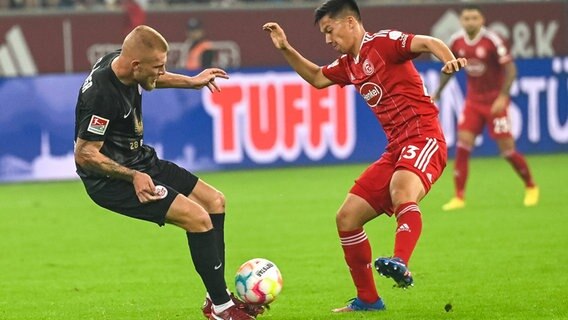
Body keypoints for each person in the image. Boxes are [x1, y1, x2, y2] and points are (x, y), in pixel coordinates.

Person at [263, 0, 466, 313]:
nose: (328, 40)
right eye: (324, 35)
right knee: (347, 218)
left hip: (424, 137)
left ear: (350, 22)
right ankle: (368, 300)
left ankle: (400, 261)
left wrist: (448, 58)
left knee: (402, 190)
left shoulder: (383, 43)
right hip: (396, 147)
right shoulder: (350, 64)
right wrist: (285, 48)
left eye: (330, 31)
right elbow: (318, 78)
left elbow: (427, 42)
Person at [73, 25, 264, 320]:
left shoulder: (125, 63)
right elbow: (85, 154)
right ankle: (222, 309)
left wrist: (193, 81)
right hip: (110, 180)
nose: (161, 72)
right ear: (136, 64)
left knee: (215, 201)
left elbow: (151, 80)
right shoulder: (100, 94)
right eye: (157, 67)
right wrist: (132, 176)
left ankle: (217, 298)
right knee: (197, 219)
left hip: (141, 160)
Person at [432, 5, 538, 211]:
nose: (470, 22)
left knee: (507, 150)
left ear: (482, 20)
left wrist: (503, 97)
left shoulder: (492, 40)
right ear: (461, 21)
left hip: (495, 102)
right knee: (462, 147)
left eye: (474, 18)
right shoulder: (457, 41)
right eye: (466, 18)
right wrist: (438, 92)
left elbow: (511, 69)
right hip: (473, 102)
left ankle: (531, 186)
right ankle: (459, 197)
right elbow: (449, 69)